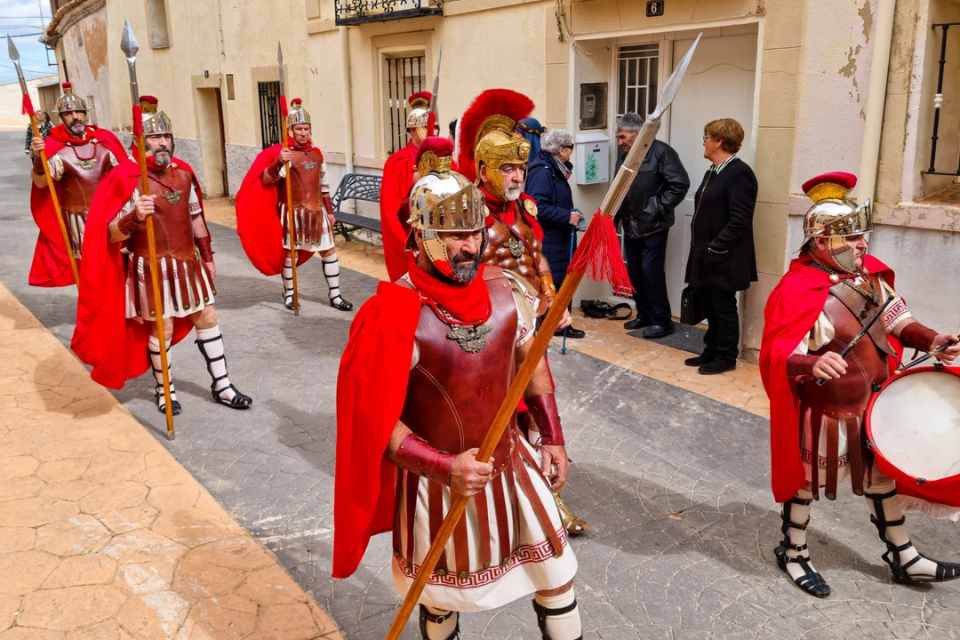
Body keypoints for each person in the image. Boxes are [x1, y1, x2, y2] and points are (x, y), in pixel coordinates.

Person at [333, 153, 581, 640]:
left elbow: (532, 365)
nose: (471, 246)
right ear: (423, 235)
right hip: (435, 482)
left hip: (511, 463)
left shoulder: (507, 291)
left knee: (558, 579)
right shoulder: (393, 314)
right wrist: (447, 468)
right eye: (456, 235)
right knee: (443, 598)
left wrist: (552, 437)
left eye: (475, 232)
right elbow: (374, 422)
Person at [760, 171, 960, 598]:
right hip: (825, 412)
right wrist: (811, 363)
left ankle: (903, 554)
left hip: (873, 404)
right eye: (850, 239)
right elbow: (779, 353)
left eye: (861, 237)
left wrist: (932, 339)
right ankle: (793, 551)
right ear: (822, 242)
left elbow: (898, 321)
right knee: (805, 482)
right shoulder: (797, 290)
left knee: (880, 479)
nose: (861, 246)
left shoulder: (871, 279)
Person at [457, 88, 588, 537]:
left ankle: (547, 499)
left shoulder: (524, 209)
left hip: (528, 330)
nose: (516, 177)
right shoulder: (465, 214)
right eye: (507, 168)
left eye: (520, 167)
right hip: (487, 337)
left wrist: (555, 301)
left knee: (536, 411)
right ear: (484, 169)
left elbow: (537, 259)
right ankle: (504, 500)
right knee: (498, 419)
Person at [71, 104, 252, 415]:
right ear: (140, 142)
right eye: (154, 136)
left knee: (207, 317)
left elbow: (196, 219)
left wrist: (208, 257)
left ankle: (222, 385)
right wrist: (132, 217)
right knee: (162, 329)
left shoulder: (183, 173)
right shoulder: (127, 178)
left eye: (166, 135)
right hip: (150, 266)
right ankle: (164, 391)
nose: (163, 142)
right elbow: (111, 235)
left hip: (188, 262)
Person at [236, 98, 352, 312]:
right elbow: (266, 180)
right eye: (299, 128)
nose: (303, 132)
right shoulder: (285, 154)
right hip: (293, 212)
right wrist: (279, 162)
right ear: (290, 130)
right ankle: (289, 294)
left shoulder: (317, 154)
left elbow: (323, 184)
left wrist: (330, 210)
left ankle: (335, 296)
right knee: (291, 255)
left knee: (329, 252)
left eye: (306, 128)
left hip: (318, 211)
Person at [28, 82, 126, 287]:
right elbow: (41, 182)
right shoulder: (55, 147)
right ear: (61, 118)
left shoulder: (104, 140)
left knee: (118, 263)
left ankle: (120, 311)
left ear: (86, 114)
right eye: (69, 113)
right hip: (78, 218)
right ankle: (91, 312)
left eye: (79, 112)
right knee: (88, 269)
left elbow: (124, 176)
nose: (75, 117)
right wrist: (38, 157)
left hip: (110, 214)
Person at [684, 118, 756, 374]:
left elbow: (740, 220)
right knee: (710, 304)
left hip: (724, 257)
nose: (703, 142)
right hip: (706, 255)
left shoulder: (740, 174)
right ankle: (711, 350)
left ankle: (725, 357)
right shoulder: (713, 172)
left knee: (723, 306)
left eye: (706, 137)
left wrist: (715, 247)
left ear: (720, 142)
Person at [614, 112, 689, 339]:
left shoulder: (662, 152)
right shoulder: (624, 155)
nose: (619, 142)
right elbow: (619, 188)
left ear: (638, 135)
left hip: (653, 226)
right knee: (634, 271)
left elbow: (679, 184)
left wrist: (655, 207)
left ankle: (662, 321)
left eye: (622, 137)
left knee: (651, 272)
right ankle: (644, 314)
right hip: (630, 225)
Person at [526, 128, 586, 339]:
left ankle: (561, 325)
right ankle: (555, 325)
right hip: (550, 239)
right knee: (556, 282)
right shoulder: (543, 171)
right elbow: (536, 206)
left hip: (559, 237)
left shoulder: (554, 168)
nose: (572, 153)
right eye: (571, 148)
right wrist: (566, 216)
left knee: (562, 280)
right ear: (561, 150)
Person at [380, 91, 433, 281]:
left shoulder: (445, 158)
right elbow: (390, 209)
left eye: (434, 126)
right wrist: (405, 244)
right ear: (412, 130)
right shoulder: (399, 161)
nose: (432, 131)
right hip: (413, 233)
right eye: (425, 127)